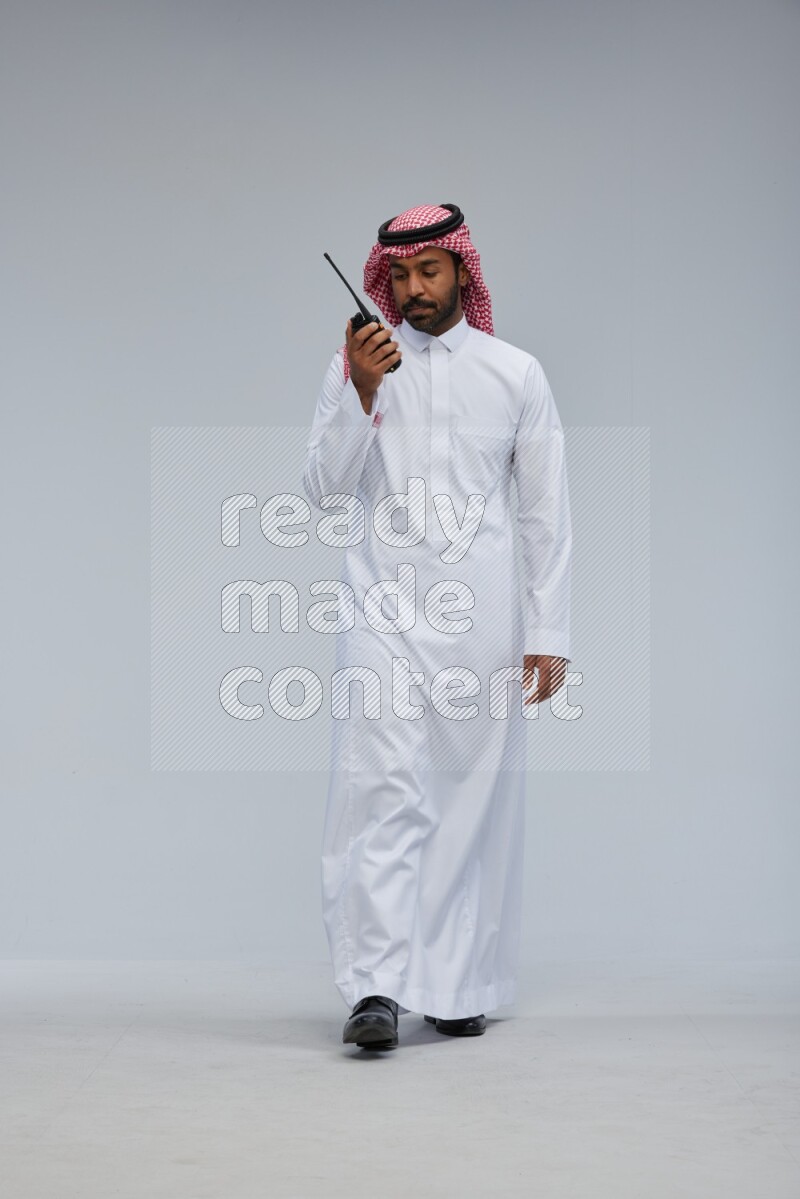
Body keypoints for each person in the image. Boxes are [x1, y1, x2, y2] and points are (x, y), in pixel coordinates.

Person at [303, 203, 572, 1050]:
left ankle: (456, 985)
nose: (415, 290)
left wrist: (548, 630)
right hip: (380, 612)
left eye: (432, 271)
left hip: (484, 619)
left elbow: (544, 513)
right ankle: (375, 989)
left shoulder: (516, 372)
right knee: (381, 791)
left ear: (463, 271)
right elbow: (321, 489)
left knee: (468, 801)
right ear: (382, 279)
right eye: (402, 276)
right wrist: (362, 389)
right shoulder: (358, 366)